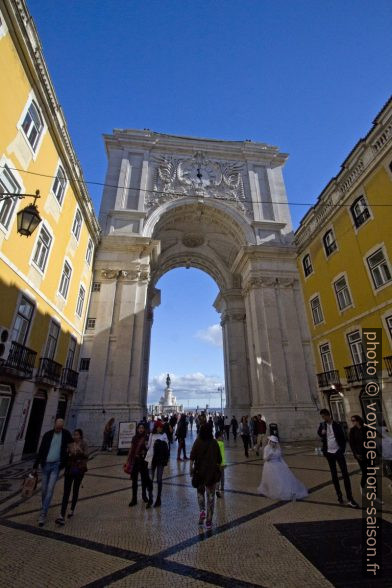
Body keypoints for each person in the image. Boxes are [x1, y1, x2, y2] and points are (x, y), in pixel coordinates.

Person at [33, 418, 73, 527]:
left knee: (50, 489)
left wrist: (65, 461)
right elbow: (41, 450)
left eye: (61, 427)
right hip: (45, 465)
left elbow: (72, 445)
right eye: (57, 427)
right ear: (54, 424)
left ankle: (43, 514)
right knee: (44, 490)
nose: (59, 429)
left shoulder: (66, 434)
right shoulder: (47, 435)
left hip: (56, 465)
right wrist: (35, 466)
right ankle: (44, 506)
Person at [317, 409, 358, 508]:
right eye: (322, 417)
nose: (323, 418)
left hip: (338, 452)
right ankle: (339, 495)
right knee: (334, 474)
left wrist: (342, 450)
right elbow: (319, 434)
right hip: (329, 453)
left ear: (328, 415)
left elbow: (343, 438)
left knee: (345, 474)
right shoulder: (322, 425)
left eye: (324, 416)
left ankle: (350, 498)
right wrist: (322, 433)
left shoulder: (337, 425)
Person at [190, 424, 222, 529]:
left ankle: (202, 511)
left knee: (200, 493)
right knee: (211, 497)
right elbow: (219, 459)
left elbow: (192, 456)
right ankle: (209, 520)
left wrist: (191, 468)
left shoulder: (198, 441)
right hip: (211, 473)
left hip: (199, 472)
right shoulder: (214, 443)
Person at [257, 435, 308, 500]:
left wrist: (284, 465)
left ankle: (286, 490)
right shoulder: (267, 448)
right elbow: (265, 459)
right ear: (269, 441)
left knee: (283, 478)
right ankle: (274, 490)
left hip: (278, 464)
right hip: (270, 465)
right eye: (272, 442)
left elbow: (280, 457)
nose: (273, 443)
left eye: (275, 442)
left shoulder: (278, 448)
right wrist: (269, 456)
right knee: (274, 479)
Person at [55, 429, 88, 525]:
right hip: (69, 469)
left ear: (80, 436)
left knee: (75, 490)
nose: (75, 436)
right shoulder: (70, 444)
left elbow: (86, 455)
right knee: (66, 492)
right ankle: (61, 515)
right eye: (74, 434)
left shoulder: (84, 444)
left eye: (77, 434)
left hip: (79, 469)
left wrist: (80, 451)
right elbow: (65, 456)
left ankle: (72, 509)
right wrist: (68, 453)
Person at [126, 422, 153, 507]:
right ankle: (134, 499)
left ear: (144, 429)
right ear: (137, 429)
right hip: (135, 461)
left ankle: (144, 496)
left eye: (142, 428)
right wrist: (128, 460)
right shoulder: (134, 438)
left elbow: (149, 449)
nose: (141, 429)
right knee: (134, 481)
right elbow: (131, 449)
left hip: (143, 461)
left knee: (144, 479)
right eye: (139, 428)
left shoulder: (147, 437)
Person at [145, 420, 169, 507]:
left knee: (159, 480)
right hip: (151, 458)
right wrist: (145, 444)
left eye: (161, 427)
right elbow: (148, 446)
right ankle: (150, 498)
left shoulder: (164, 435)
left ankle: (158, 499)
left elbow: (167, 448)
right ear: (156, 427)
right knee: (150, 480)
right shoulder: (152, 434)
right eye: (159, 427)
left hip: (160, 459)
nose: (160, 428)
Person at [349, 415, 366, 494]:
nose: (352, 422)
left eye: (354, 420)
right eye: (352, 420)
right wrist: (356, 454)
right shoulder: (352, 431)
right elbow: (352, 444)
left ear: (358, 420)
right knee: (365, 472)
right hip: (359, 455)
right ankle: (362, 486)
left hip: (368, 453)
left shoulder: (365, 428)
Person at [215, 430, 226, 498]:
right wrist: (224, 463)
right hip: (221, 463)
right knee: (222, 476)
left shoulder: (214, 443)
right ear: (219, 437)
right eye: (222, 436)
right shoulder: (221, 443)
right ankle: (222, 487)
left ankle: (217, 488)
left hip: (216, 463)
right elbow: (222, 454)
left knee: (217, 477)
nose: (222, 437)